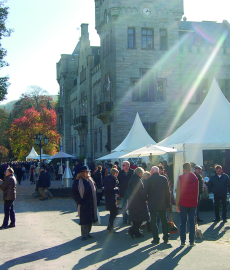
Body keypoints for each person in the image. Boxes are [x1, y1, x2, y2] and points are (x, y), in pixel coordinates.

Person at [145, 166, 170, 244]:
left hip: (152, 203)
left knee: (153, 221)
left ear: (152, 171)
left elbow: (145, 192)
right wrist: (168, 204)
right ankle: (165, 237)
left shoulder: (148, 180)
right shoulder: (164, 179)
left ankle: (156, 238)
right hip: (162, 203)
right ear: (158, 171)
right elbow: (167, 192)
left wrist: (146, 199)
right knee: (164, 220)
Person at [72, 166, 98, 240]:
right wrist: (80, 201)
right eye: (85, 172)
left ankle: (88, 233)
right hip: (83, 202)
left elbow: (94, 189)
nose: (87, 173)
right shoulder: (77, 181)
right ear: (81, 173)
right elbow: (74, 193)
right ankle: (84, 234)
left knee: (90, 218)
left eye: (87, 172)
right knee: (84, 220)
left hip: (91, 202)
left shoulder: (90, 180)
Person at [176, 162, 198, 246]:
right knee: (192, 222)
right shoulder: (195, 177)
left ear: (184, 169)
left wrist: (177, 204)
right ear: (191, 168)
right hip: (192, 203)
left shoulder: (181, 178)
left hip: (183, 202)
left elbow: (178, 192)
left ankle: (182, 241)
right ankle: (191, 241)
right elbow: (197, 191)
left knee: (183, 222)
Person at [128, 167, 149, 238]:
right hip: (139, 201)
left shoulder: (131, 180)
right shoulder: (138, 180)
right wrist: (146, 197)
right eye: (142, 173)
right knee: (141, 217)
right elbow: (141, 191)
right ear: (139, 173)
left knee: (135, 217)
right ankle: (132, 230)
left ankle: (137, 233)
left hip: (132, 201)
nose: (142, 175)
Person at [104, 168, 119, 234]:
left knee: (113, 213)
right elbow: (110, 189)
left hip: (109, 198)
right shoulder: (111, 179)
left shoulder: (109, 178)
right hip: (111, 198)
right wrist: (116, 189)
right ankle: (110, 228)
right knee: (114, 212)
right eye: (115, 173)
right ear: (113, 173)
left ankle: (110, 227)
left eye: (117, 173)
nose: (116, 174)